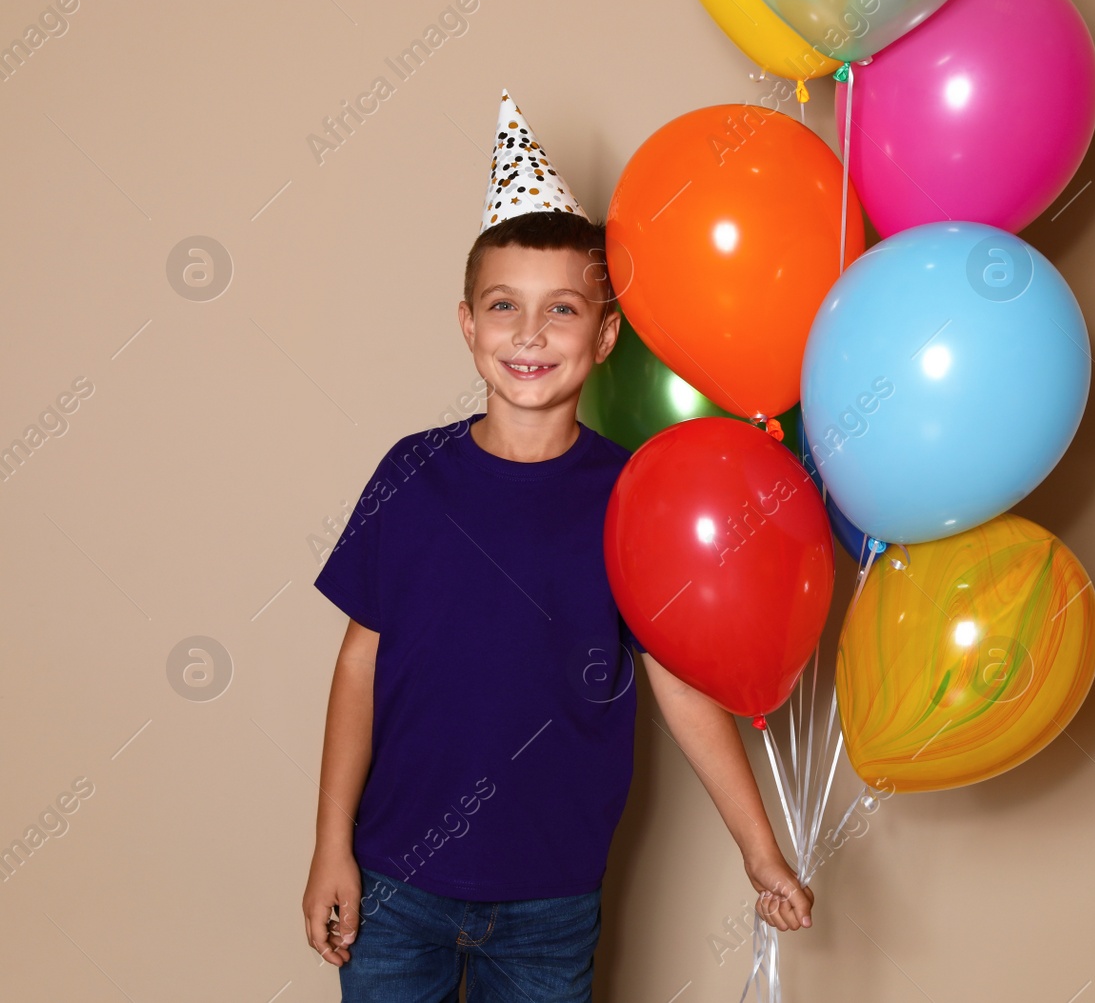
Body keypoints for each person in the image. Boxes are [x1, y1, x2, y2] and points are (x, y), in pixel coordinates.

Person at [301, 91, 812, 1002]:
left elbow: (681, 682)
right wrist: (330, 843)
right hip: (393, 883)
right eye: (504, 306)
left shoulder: (636, 497)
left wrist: (760, 850)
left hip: (551, 899)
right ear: (468, 325)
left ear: (605, 336)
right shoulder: (411, 474)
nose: (530, 334)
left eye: (563, 310)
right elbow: (357, 666)